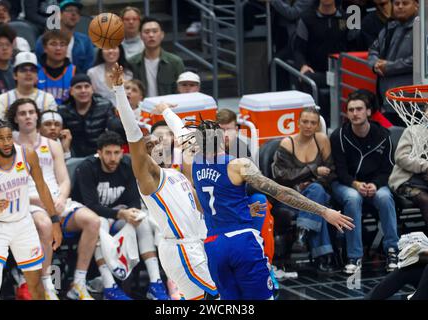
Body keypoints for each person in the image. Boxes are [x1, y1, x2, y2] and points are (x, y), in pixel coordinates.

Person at [147, 77, 354, 300]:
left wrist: (166, 111)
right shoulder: (237, 165)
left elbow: (181, 133)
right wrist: (324, 211)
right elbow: (282, 192)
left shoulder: (194, 161)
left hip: (213, 246)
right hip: (242, 243)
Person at [111, 63, 219, 300]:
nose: (158, 144)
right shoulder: (151, 177)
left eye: (160, 140)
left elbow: (190, 143)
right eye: (151, 142)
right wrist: (119, 91)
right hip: (182, 249)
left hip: (196, 245)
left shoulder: (178, 173)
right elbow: (133, 134)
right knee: (222, 297)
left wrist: (166, 112)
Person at [6, 98, 101, 300]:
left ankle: (79, 283)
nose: (28, 116)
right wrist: (36, 200)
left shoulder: (52, 143)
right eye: (22, 113)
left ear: (37, 116)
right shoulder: (9, 146)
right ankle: (46, 284)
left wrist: (61, 197)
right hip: (28, 202)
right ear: (15, 118)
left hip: (56, 200)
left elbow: (64, 179)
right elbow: (8, 185)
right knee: (45, 225)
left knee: (93, 221)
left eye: (31, 112)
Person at [72, 131, 170, 300]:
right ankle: (109, 286)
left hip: (118, 215)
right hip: (90, 215)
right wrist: (120, 213)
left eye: (117, 153)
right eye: (108, 153)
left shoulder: (127, 165)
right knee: (98, 224)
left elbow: (134, 201)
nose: (113, 158)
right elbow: (90, 205)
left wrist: (130, 214)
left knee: (142, 220)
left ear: (122, 152)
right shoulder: (87, 167)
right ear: (99, 153)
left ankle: (155, 283)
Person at [0, 119, 62, 300]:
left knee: (35, 285)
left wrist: (55, 222)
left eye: (9, 137)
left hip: (23, 225)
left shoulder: (27, 155)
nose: (7, 142)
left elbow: (42, 188)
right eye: (1, 139)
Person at [330, 90, 399, 274]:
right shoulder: (339, 136)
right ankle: (354, 256)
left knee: (385, 198)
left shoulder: (384, 135)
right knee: (353, 198)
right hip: (346, 184)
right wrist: (356, 184)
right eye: (351, 110)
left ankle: (393, 251)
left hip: (375, 184)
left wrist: (375, 184)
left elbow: (388, 169)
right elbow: (340, 171)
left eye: (359, 109)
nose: (355, 113)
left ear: (368, 111)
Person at [272, 107, 338, 272]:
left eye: (313, 123)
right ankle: (322, 256)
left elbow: (331, 172)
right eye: (305, 122)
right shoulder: (288, 143)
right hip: (291, 197)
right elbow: (281, 177)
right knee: (319, 208)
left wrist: (309, 182)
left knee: (316, 191)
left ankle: (302, 233)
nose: (309, 126)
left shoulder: (322, 140)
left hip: (316, 193)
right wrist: (313, 171)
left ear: (317, 126)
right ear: (298, 123)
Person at [368, 0, 418, 125]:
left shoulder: (423, 28)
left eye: (405, 3)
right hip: (387, 100)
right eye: (397, 3)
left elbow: (418, 60)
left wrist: (389, 67)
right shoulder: (389, 27)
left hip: (412, 102)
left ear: (416, 5)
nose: (400, 7)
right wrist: (375, 65)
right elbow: (373, 50)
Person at [57, 74, 119, 157]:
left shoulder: (105, 106)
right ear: (71, 91)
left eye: (87, 86)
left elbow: (113, 134)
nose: (83, 90)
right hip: (72, 155)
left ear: (92, 89)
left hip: (100, 155)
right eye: (78, 87)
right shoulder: (62, 110)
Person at [389, 124, 428, 236]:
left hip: (426, 182)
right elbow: (400, 158)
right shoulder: (413, 131)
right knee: (425, 200)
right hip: (406, 181)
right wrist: (426, 166)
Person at [128, 17, 185, 97]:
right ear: (140, 36)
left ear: (162, 35)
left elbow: (182, 91)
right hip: (142, 107)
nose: (151, 35)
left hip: (169, 107)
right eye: (147, 32)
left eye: (155, 31)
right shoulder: (132, 63)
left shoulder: (175, 62)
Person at [35, 0, 95, 74]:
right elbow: (38, 67)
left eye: (77, 11)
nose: (74, 14)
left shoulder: (85, 41)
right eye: (69, 10)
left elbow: (89, 69)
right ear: (59, 15)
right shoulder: (43, 40)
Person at [0, 0, 30, 64]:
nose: (1, 13)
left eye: (5, 10)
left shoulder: (20, 41)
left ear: (9, 17)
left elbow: (26, 64)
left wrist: (14, 49)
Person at [37, 29, 76, 105]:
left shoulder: (75, 71)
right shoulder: (35, 71)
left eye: (62, 44)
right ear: (45, 48)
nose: (58, 48)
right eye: (53, 44)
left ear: (67, 48)